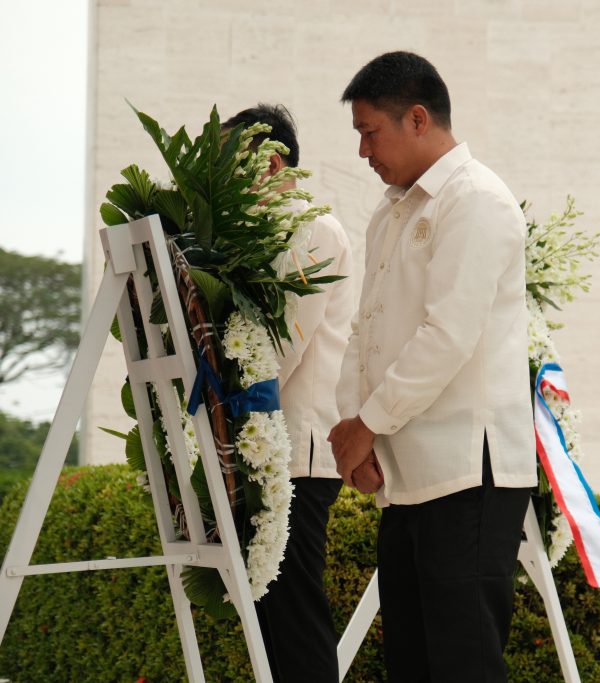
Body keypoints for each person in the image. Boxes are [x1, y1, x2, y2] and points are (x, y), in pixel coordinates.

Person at [329, 51, 536, 682]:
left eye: (370, 132)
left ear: (417, 118)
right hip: (405, 472)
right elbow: (364, 331)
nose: (363, 150)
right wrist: (356, 430)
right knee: (411, 664)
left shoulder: (476, 199)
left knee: (462, 665)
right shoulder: (392, 212)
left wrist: (367, 425)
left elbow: (447, 337)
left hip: (467, 470)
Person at [223, 104, 357, 683]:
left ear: (272, 163)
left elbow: (282, 345)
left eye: (230, 165)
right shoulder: (261, 234)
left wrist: (219, 404)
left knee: (294, 613)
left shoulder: (313, 230)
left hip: (298, 449)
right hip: (268, 445)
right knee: (269, 619)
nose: (221, 180)